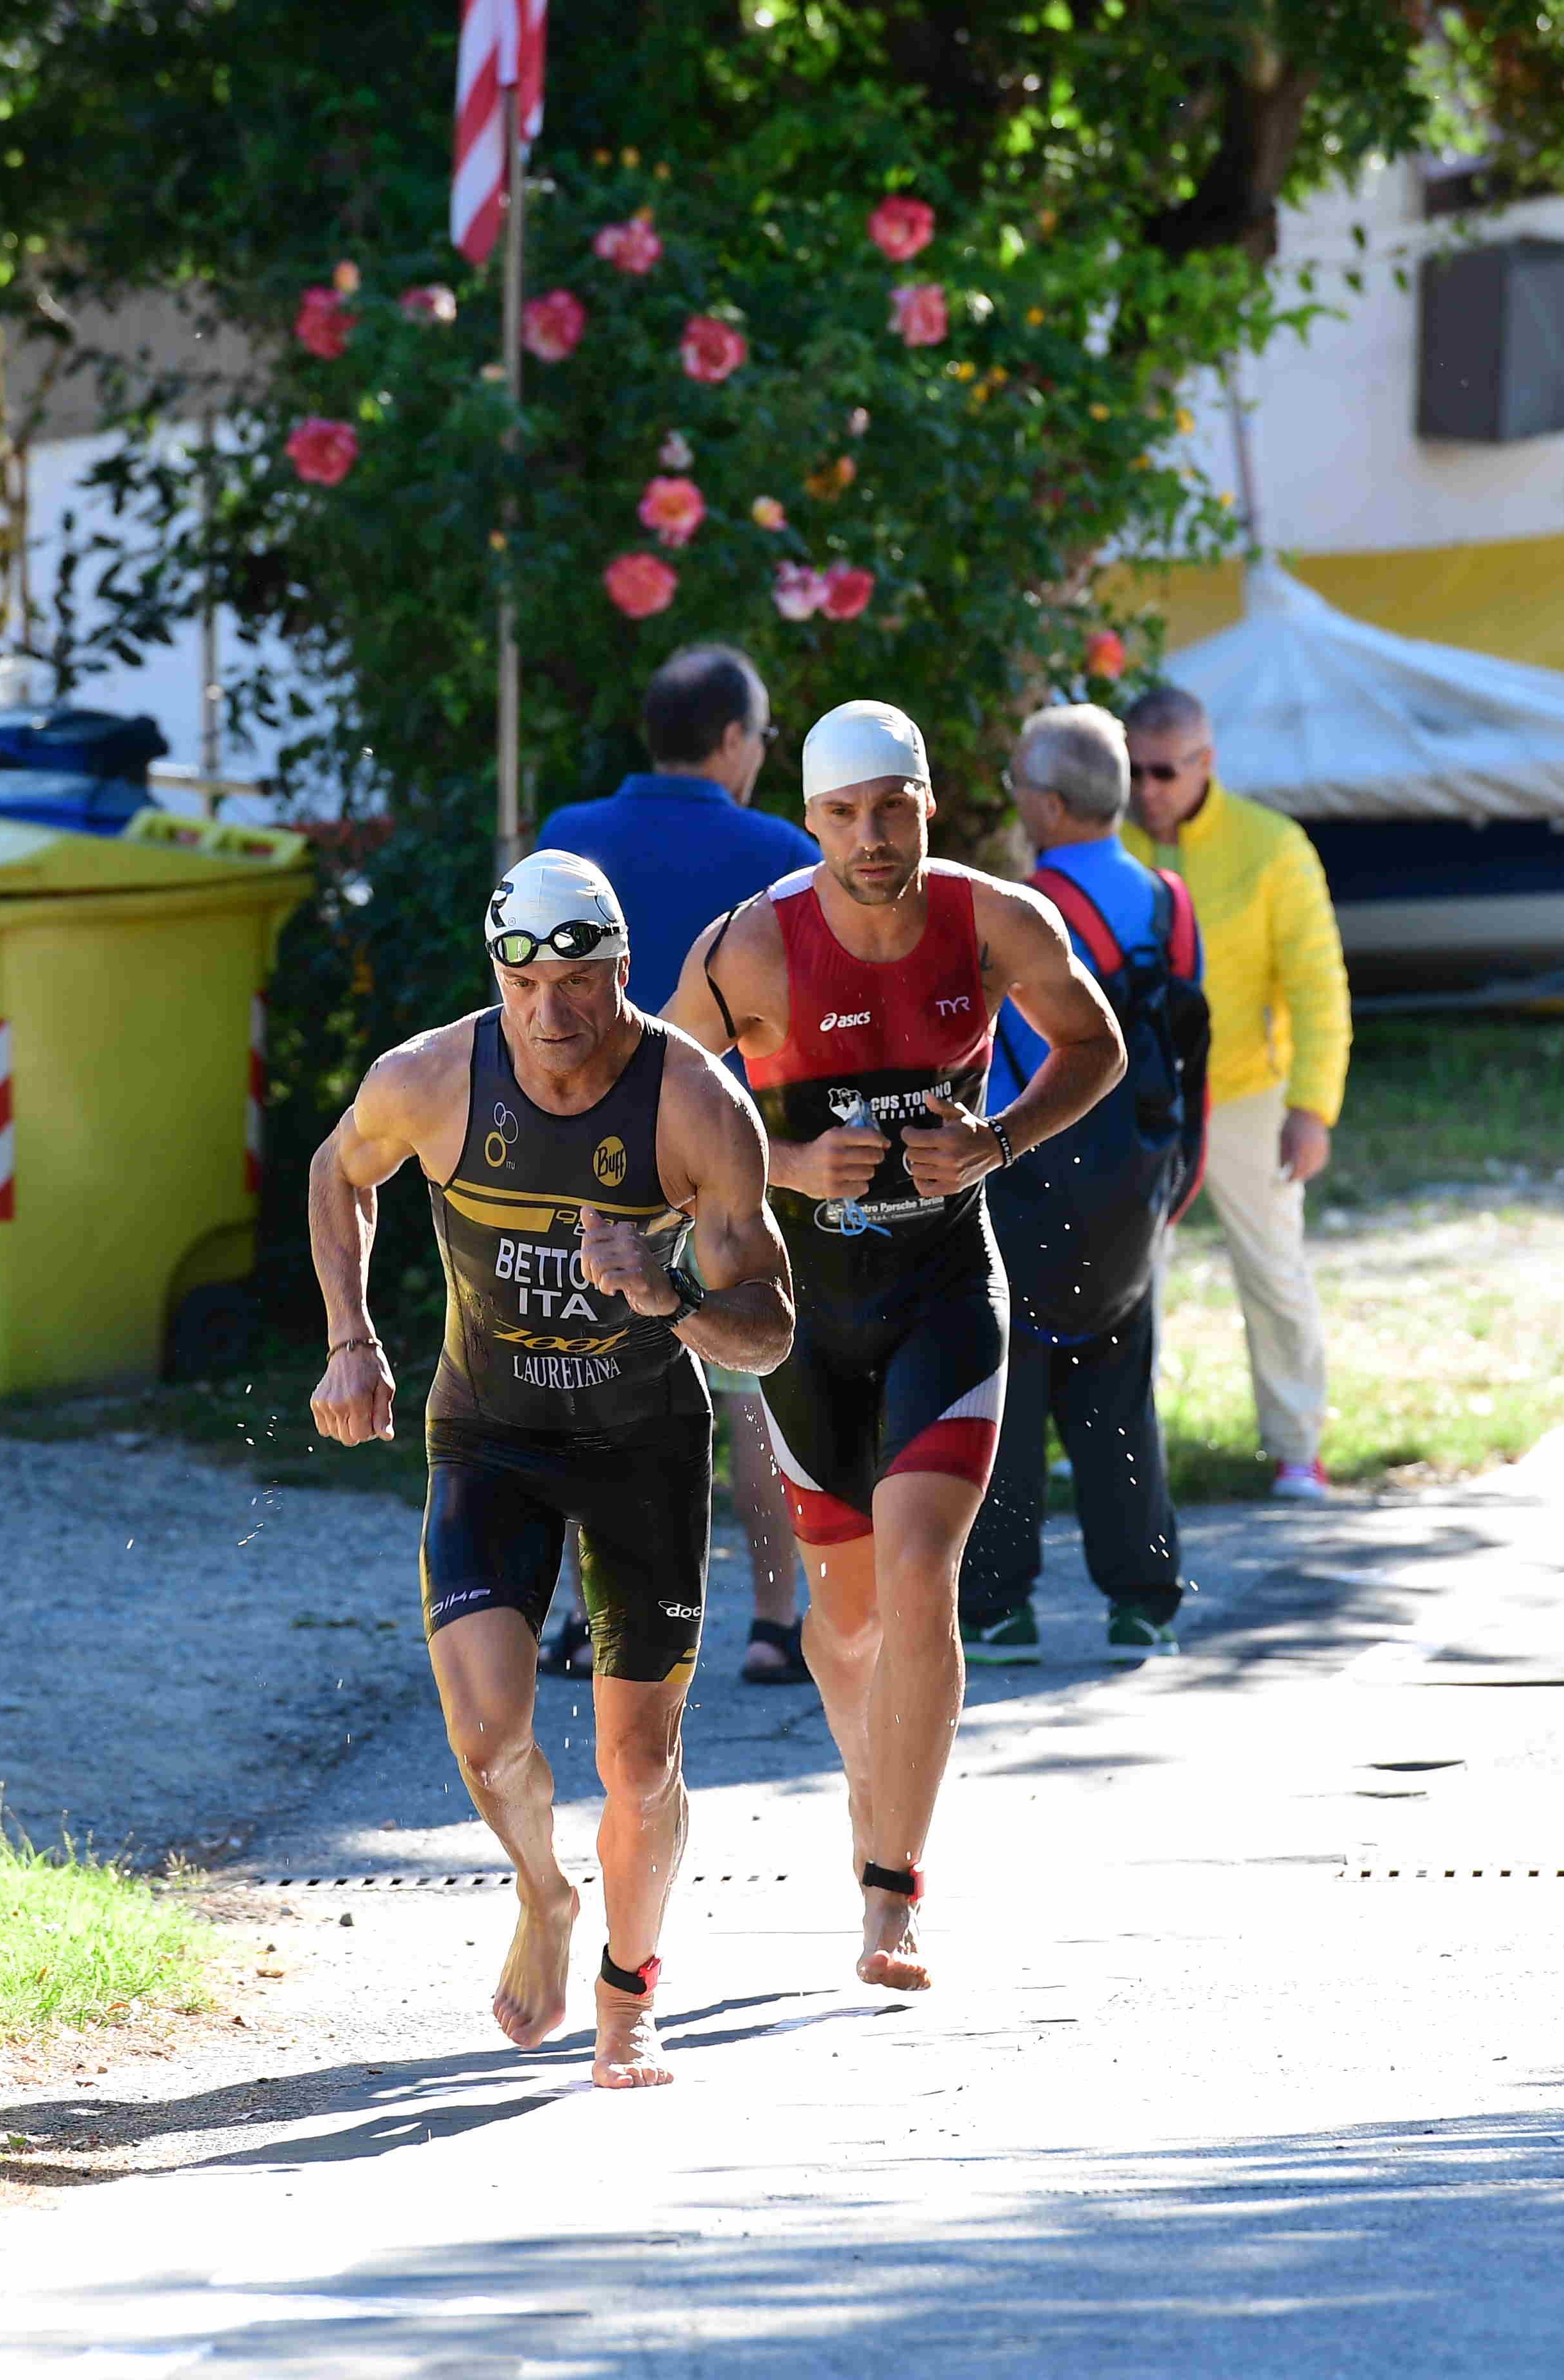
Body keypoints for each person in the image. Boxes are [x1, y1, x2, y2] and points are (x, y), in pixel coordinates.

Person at [307, 850, 796, 2088]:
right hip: (491, 1434)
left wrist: (668, 1294)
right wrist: (351, 1341)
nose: (548, 1013)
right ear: (495, 977)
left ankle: (630, 1998)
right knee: (485, 1735)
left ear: (623, 974)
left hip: (640, 1443)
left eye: (577, 982)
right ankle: (542, 1890)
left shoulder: (694, 1106)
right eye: (522, 984)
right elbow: (336, 1169)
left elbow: (771, 1324)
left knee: (637, 1759)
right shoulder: (428, 1079)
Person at [664, 700, 1123, 1991]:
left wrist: (1003, 1136)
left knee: (921, 1570)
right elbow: (651, 1102)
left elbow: (1097, 1043)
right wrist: (784, 1160)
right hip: (806, 1319)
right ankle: (876, 1786)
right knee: (848, 1626)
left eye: (894, 808)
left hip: (940, 1291)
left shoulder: (997, 920)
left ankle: (891, 1895)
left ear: (931, 802)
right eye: (845, 815)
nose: (872, 836)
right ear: (810, 824)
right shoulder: (751, 947)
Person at [534, 644, 821, 1686]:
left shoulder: (568, 839)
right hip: (717, 1149)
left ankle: (583, 1620)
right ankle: (775, 1620)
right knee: (746, 1381)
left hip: (580, 1148)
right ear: (735, 740)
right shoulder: (781, 851)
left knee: (588, 1385)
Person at [958, 705, 1208, 1664]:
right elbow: (1192, 1059)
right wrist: (1171, 1189)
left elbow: (980, 1059)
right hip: (1138, 1185)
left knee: (1007, 1402)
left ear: (1051, 803)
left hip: (1023, 1182)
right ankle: (1143, 1604)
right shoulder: (1170, 903)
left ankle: (997, 1610)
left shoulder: (1016, 913)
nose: (1014, 794)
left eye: (1021, 779)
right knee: (1119, 1393)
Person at [1119, 684, 1350, 1501]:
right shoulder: (1103, 839)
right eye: (1132, 770)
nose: (1147, 790)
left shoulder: (1273, 844)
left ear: (1206, 763)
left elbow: (1320, 985)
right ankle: (1115, 1448)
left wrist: (1312, 1108)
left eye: (1164, 772)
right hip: (1137, 1094)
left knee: (1273, 1269)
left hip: (1250, 1089)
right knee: (1124, 1274)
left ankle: (1296, 1449)